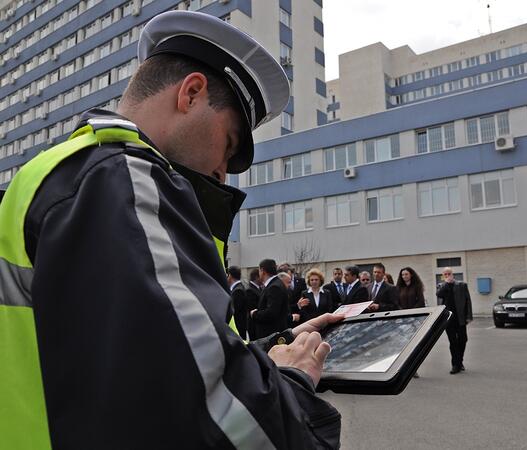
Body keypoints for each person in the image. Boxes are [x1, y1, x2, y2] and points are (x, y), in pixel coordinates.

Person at [0, 11, 342, 449]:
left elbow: (134, 359)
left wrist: (279, 346)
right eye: (229, 145)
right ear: (192, 93)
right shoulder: (123, 178)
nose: (222, 173)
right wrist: (292, 384)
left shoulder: (55, 171)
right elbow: (202, 407)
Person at [436, 267, 473, 375]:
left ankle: (459, 361)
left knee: (463, 339)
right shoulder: (441, 286)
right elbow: (439, 294)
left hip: (460, 317)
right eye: (445, 274)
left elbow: (468, 301)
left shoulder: (462, 285)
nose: (447, 275)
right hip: (448, 319)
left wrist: (469, 316)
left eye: (449, 273)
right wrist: (446, 283)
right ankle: (455, 365)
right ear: (443, 276)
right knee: (453, 342)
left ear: (453, 274)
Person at [251, 259, 291, 339]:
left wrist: (255, 314)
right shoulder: (274, 284)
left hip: (271, 335)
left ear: (262, 271)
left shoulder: (274, 287)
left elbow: (272, 313)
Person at [227, 265, 248, 339]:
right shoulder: (237, 288)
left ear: (230, 275)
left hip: (238, 328)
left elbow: (234, 310)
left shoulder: (238, 290)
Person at [245, 268, 262, 340]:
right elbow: (253, 307)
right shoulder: (250, 290)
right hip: (253, 324)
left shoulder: (259, 288)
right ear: (256, 277)